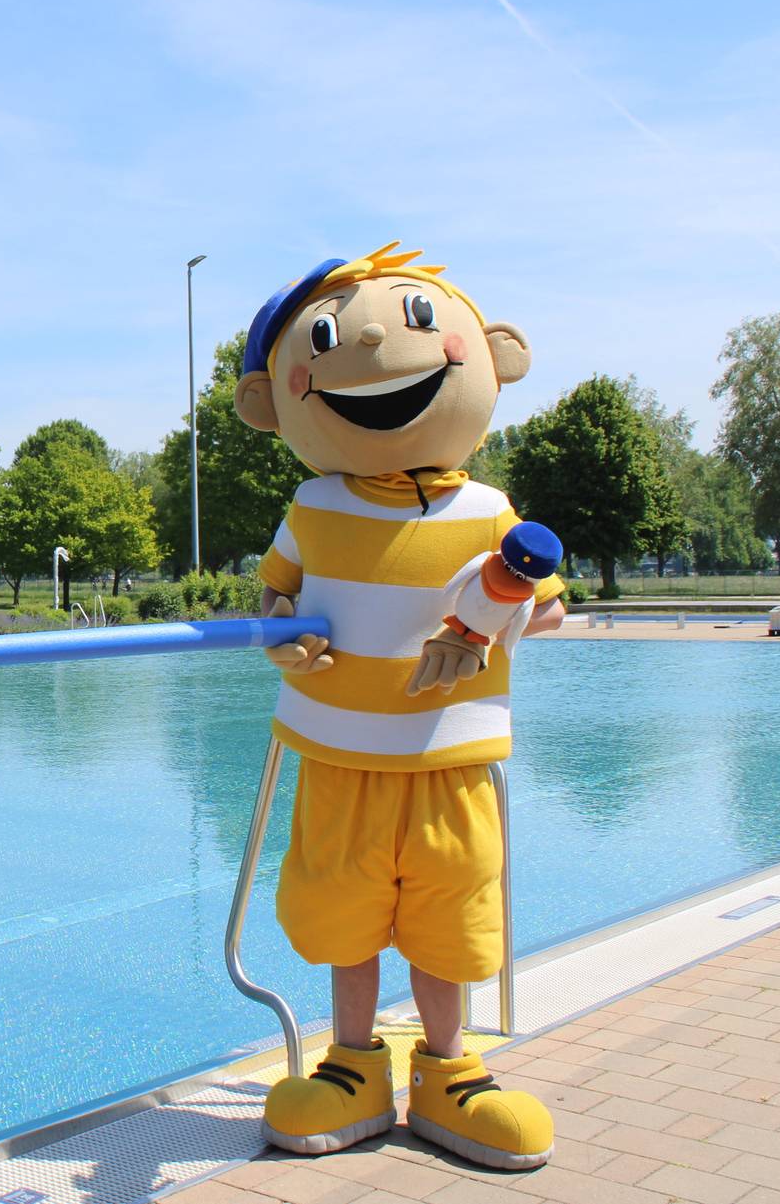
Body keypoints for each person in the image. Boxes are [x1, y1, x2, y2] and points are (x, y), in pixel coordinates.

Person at [231, 244, 564, 1170]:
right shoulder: (310, 505)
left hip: (452, 761)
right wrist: (281, 634)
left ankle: (449, 1069)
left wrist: (503, 611)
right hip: (340, 756)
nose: (375, 341)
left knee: (451, 916)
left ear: (491, 355)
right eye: (329, 340)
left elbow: (551, 603)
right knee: (345, 909)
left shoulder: (494, 508)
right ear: (276, 397)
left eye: (420, 323)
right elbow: (276, 604)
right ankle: (353, 1063)